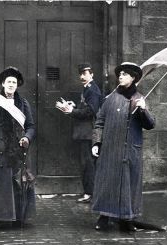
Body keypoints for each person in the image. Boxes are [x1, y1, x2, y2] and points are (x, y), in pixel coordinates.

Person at [91, 62, 155, 233]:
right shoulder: (110, 99)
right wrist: (97, 143)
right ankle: (103, 217)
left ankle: (127, 219)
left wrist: (143, 110)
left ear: (133, 78)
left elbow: (150, 125)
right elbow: (99, 122)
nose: (120, 76)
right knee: (107, 183)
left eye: (125, 74)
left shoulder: (139, 99)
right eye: (120, 74)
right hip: (110, 149)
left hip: (130, 151)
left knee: (129, 185)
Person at [0, 66, 36, 228]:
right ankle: (0, 217)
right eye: (8, 82)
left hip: (19, 149)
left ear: (17, 85)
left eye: (14, 82)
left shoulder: (23, 103)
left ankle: (19, 216)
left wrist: (27, 137)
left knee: (17, 182)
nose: (11, 85)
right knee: (1, 183)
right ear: (3, 84)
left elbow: (31, 126)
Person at [56, 63, 102, 203]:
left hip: (88, 133)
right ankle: (90, 193)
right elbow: (86, 107)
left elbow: (91, 112)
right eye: (81, 74)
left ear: (92, 74)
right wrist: (74, 106)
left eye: (85, 73)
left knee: (87, 164)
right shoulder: (88, 88)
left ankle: (90, 194)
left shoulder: (93, 90)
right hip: (85, 133)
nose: (82, 76)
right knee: (86, 163)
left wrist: (71, 111)